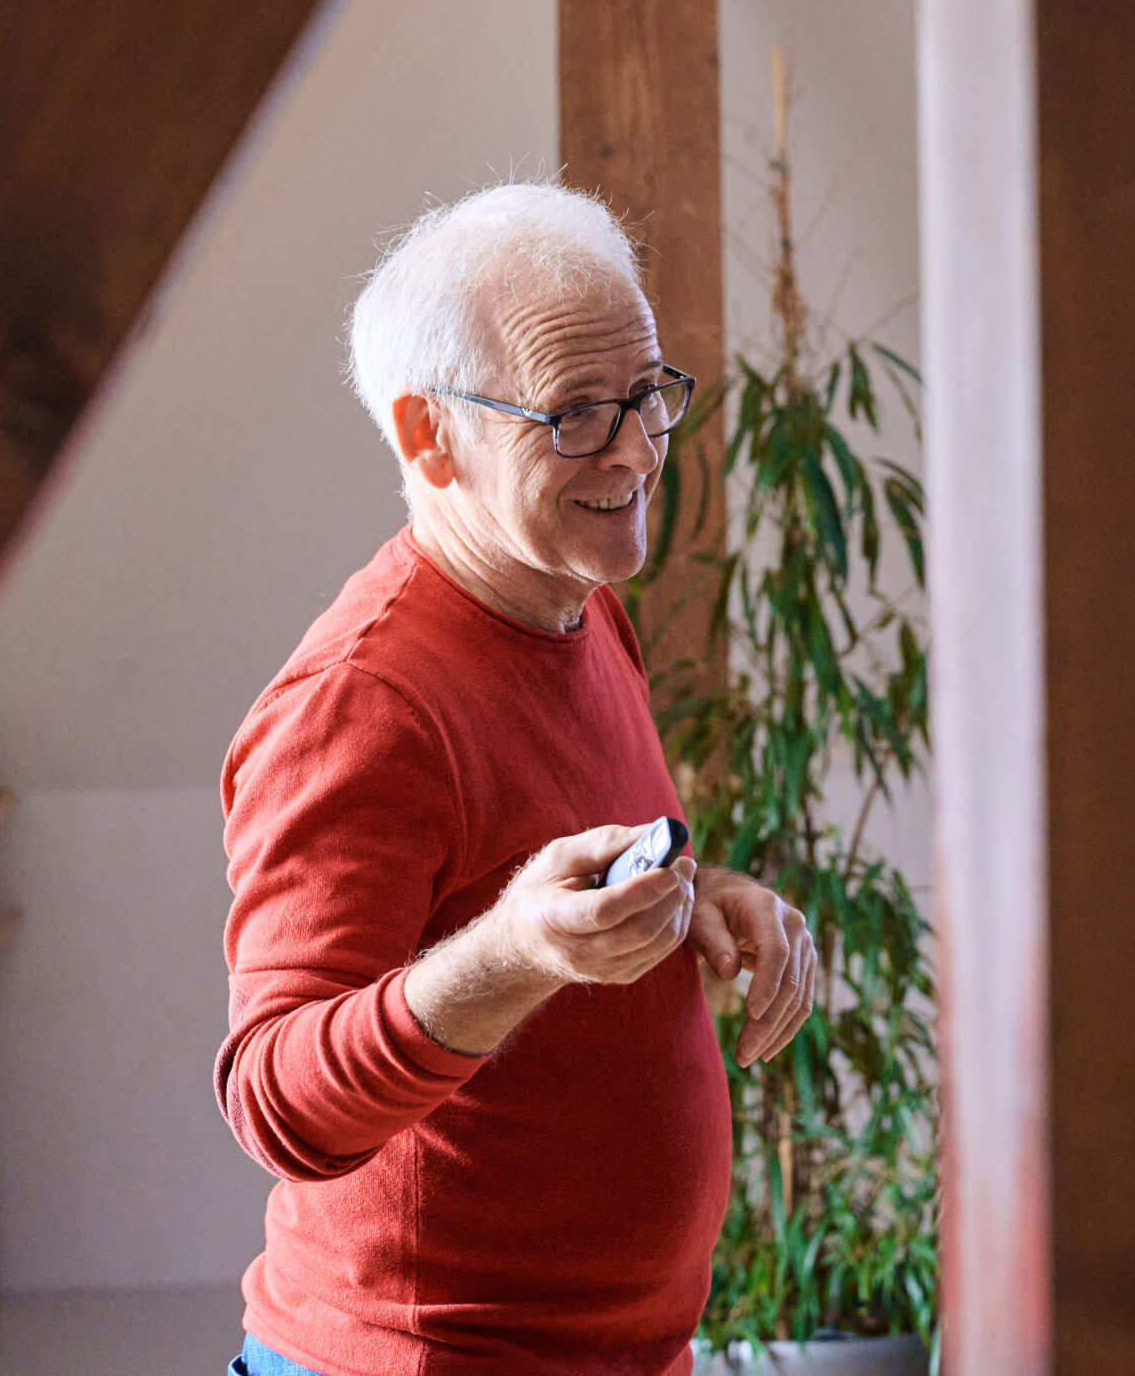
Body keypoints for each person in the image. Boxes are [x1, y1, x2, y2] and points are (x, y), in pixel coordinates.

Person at [216, 184, 818, 1376]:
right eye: (575, 414)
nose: (638, 450)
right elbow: (276, 1105)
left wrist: (700, 898)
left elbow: (532, 855)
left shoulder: (577, 603)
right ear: (427, 435)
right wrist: (515, 954)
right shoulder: (361, 703)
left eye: (646, 393)